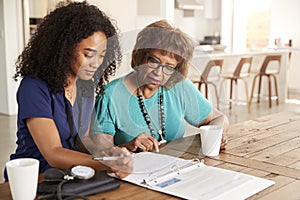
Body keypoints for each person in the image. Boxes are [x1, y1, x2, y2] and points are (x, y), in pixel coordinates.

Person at [4, 2, 132, 182]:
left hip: (70, 177)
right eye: (88, 54)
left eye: (101, 56)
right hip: (33, 180)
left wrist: (110, 152)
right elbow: (53, 153)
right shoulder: (33, 87)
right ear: (63, 49)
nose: (96, 63)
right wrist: (104, 163)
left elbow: (83, 139)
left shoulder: (85, 86)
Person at [90, 20, 229, 153]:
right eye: (154, 61)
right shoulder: (109, 95)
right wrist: (128, 147)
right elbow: (100, 150)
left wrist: (216, 134)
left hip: (176, 168)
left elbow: (219, 118)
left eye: (169, 67)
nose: (158, 73)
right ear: (139, 56)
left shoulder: (179, 86)